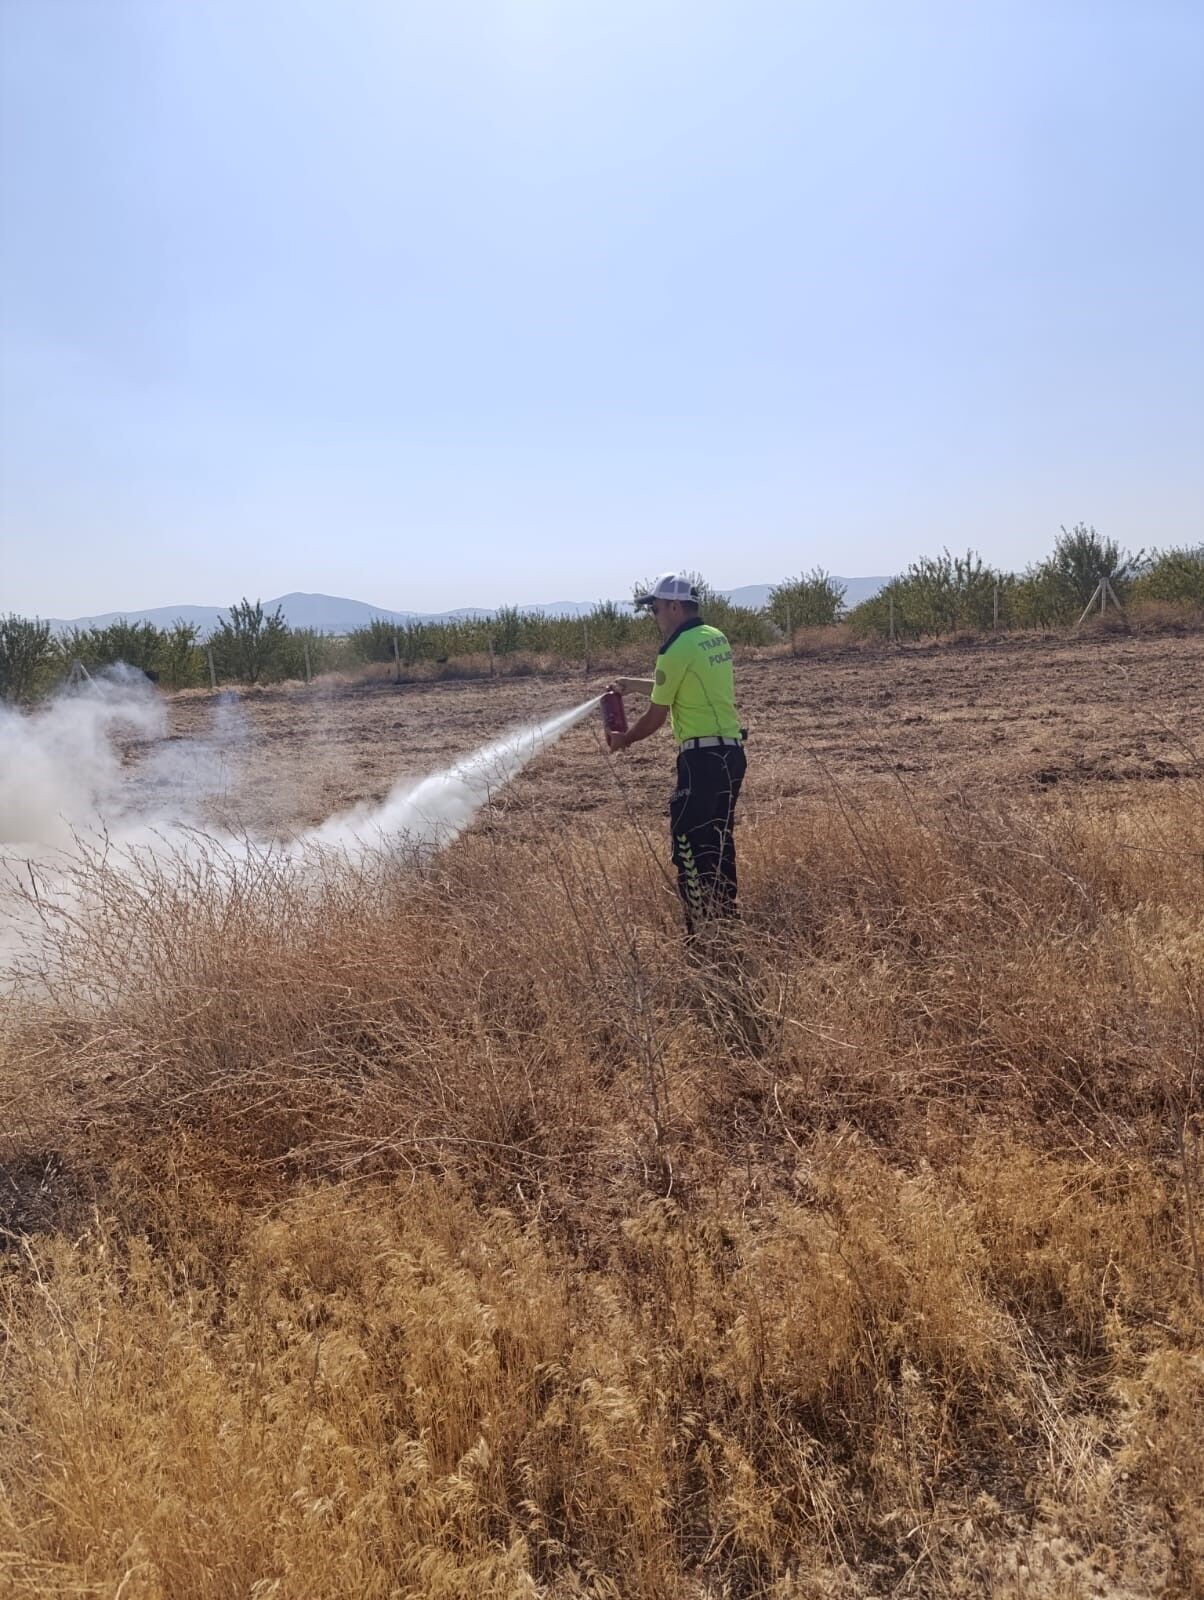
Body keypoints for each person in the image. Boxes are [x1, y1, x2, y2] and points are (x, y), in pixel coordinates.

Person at [606, 573, 746, 934]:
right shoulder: (714, 638)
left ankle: (700, 935)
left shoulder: (674, 649)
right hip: (731, 755)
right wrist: (631, 684)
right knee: (718, 841)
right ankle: (726, 924)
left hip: (701, 761)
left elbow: (656, 716)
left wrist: (624, 740)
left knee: (689, 846)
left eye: (654, 609)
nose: (654, 617)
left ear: (673, 607)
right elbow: (676, 685)